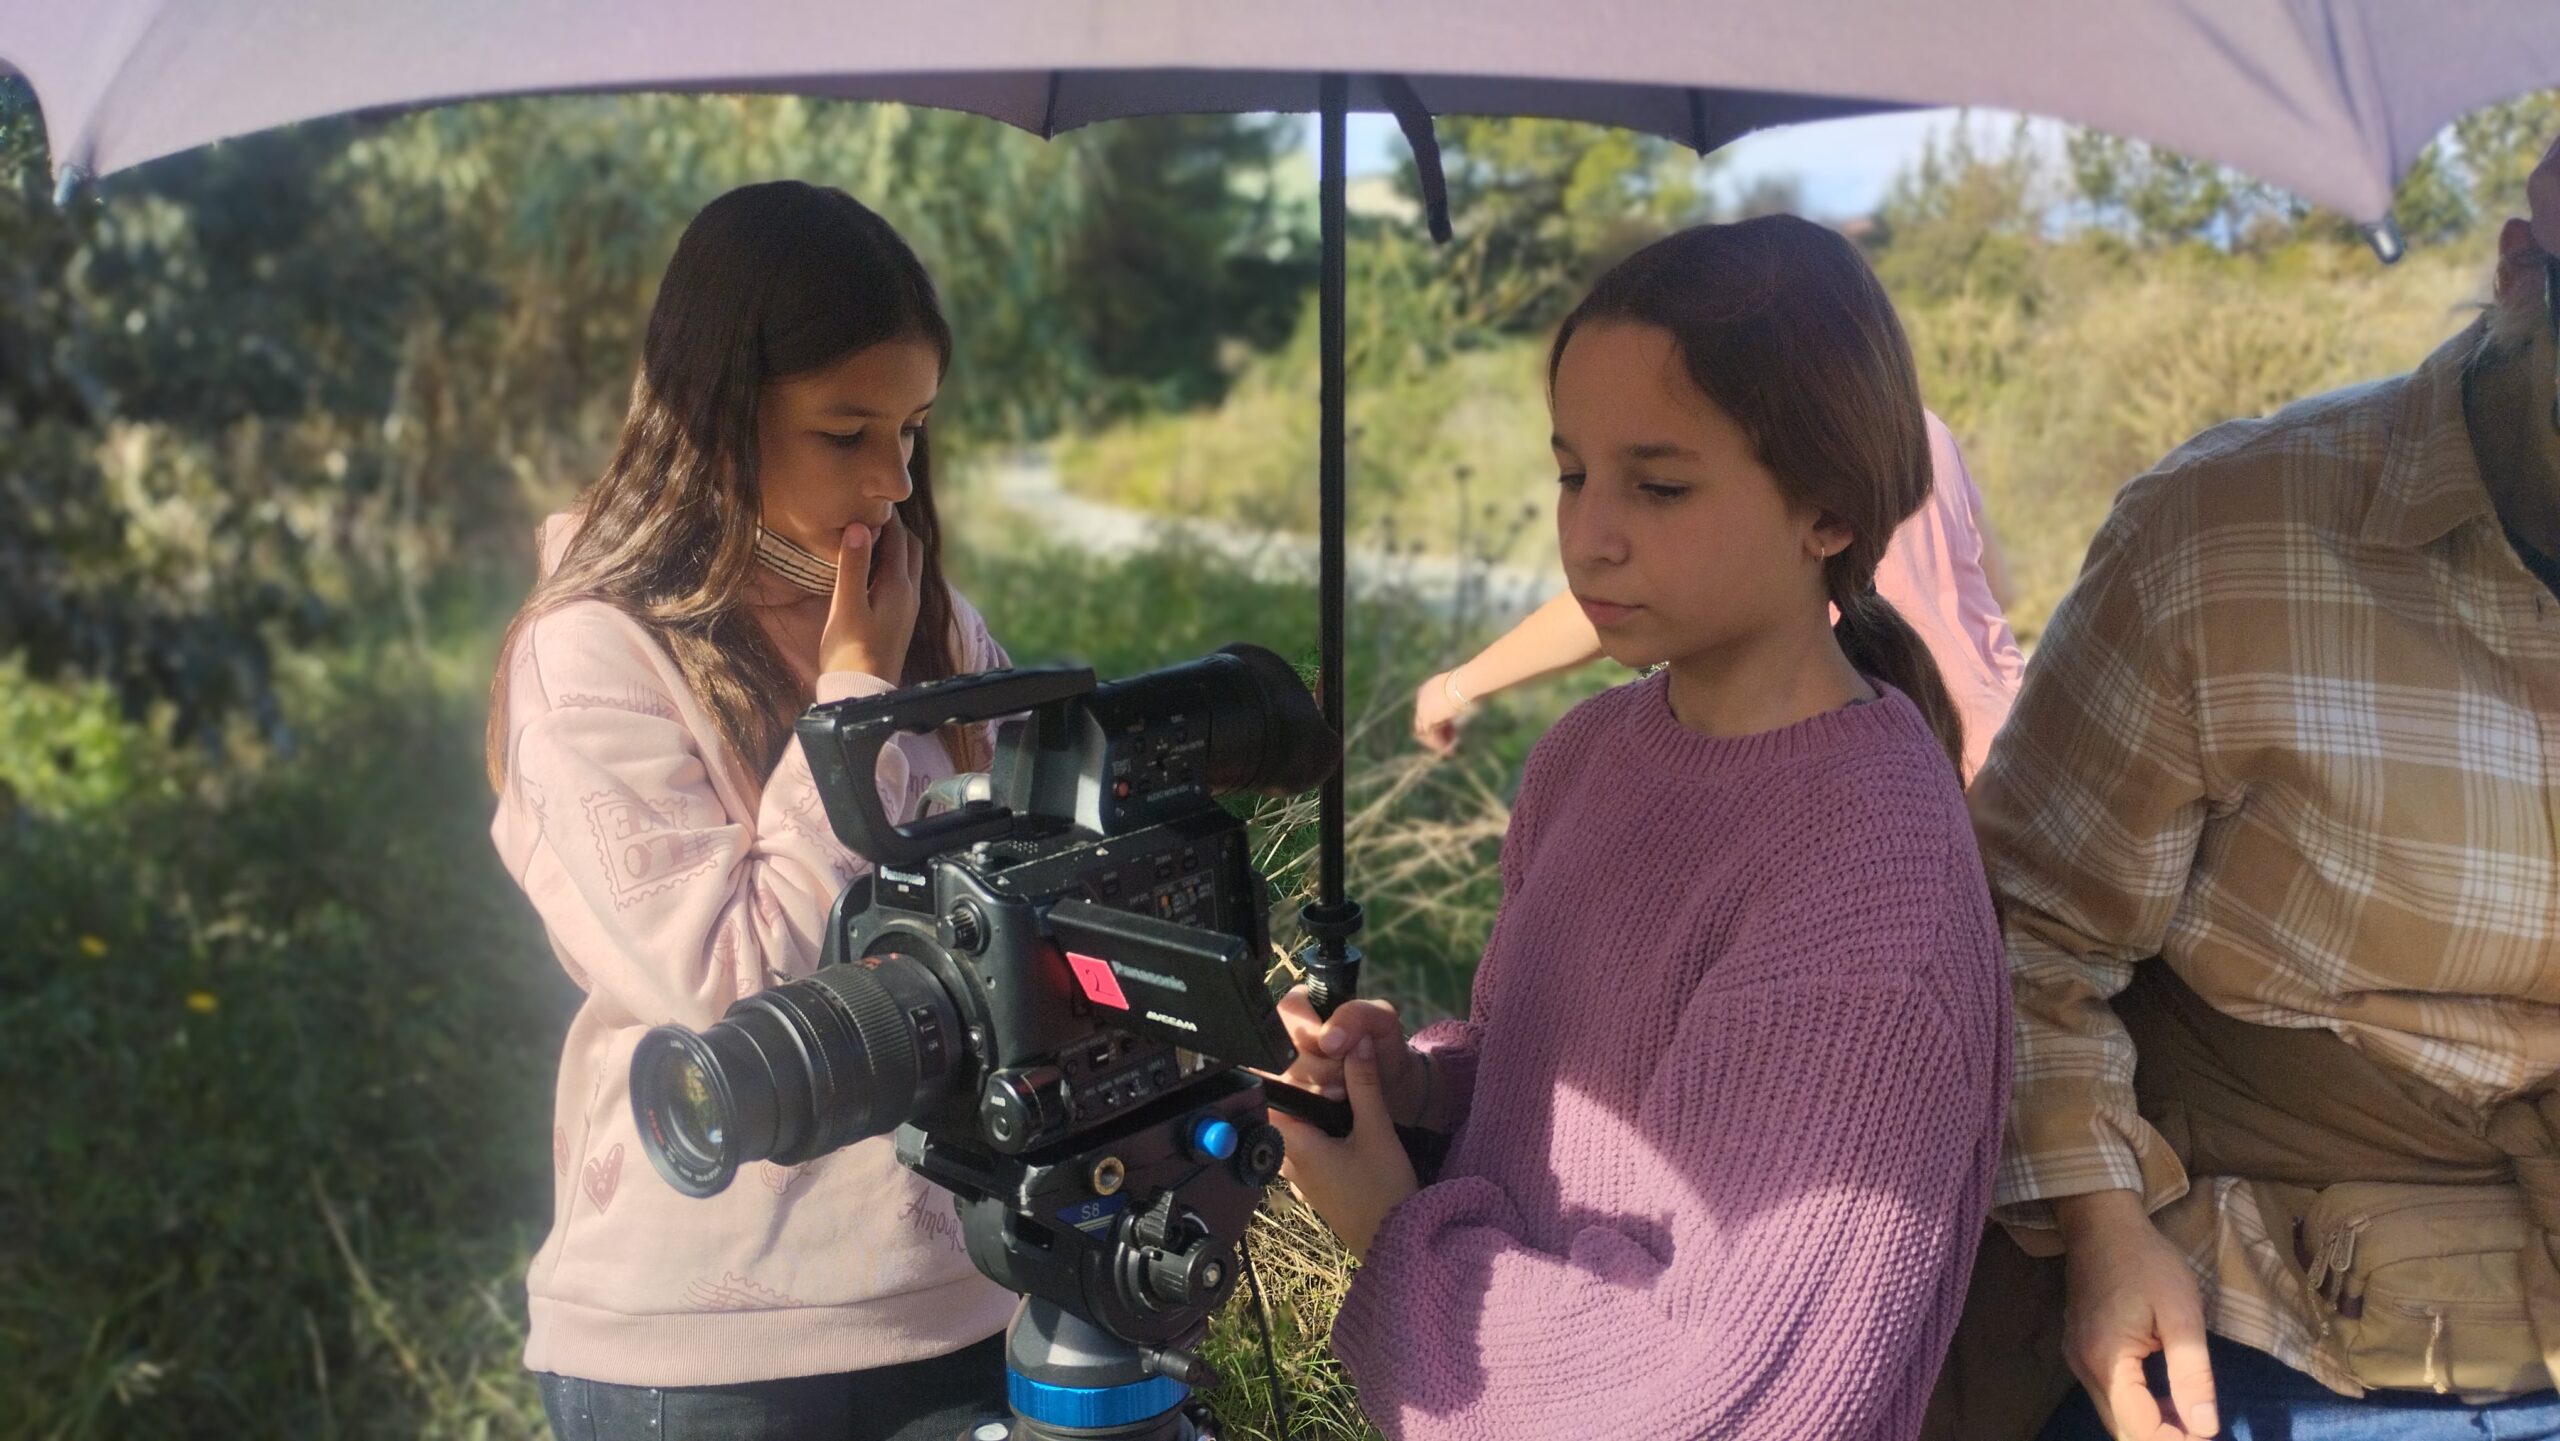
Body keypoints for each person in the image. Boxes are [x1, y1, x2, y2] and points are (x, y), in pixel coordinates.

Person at [1268, 215, 2011, 1439]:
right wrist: (1420, 1094)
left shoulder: (1874, 892)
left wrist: (1396, 1231)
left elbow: (1728, 1399)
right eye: (1572, 474)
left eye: (1657, 485)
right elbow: (1559, 1103)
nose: (1589, 535)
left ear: (1828, 511)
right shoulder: (1586, 754)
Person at [1952, 132, 2560, 1441]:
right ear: (2524, 278)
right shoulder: (2222, 537)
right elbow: (2021, 931)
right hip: (2265, 1332)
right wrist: (2102, 1229)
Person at [484, 182, 1015, 1441]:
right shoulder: (592, 650)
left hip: (971, 1296)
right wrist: (854, 701)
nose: (892, 480)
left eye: (913, 429)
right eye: (845, 432)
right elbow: (736, 986)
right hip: (708, 1352)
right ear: (715, 414)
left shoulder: (920, 617)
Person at [1414, 411, 2025, 782]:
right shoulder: (1924, 430)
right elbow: (1999, 589)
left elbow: (1627, 590)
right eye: (1572, 478)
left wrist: (1458, 687)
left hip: (1889, 777)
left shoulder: (1766, 439)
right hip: (2015, 751)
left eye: (1664, 489)